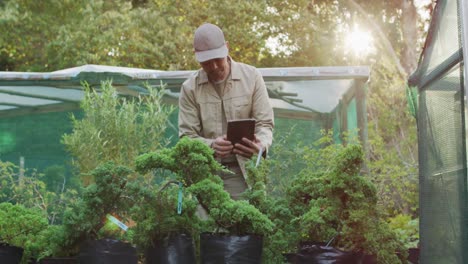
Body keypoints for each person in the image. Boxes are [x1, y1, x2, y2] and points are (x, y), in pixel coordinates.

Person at [178, 23, 274, 200]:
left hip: (246, 173)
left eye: (217, 59)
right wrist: (212, 145)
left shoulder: (252, 77)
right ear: (197, 57)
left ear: (227, 48)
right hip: (206, 175)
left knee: (246, 224)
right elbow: (186, 138)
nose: (214, 66)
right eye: (207, 62)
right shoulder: (189, 88)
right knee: (206, 226)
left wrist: (261, 145)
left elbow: (265, 124)